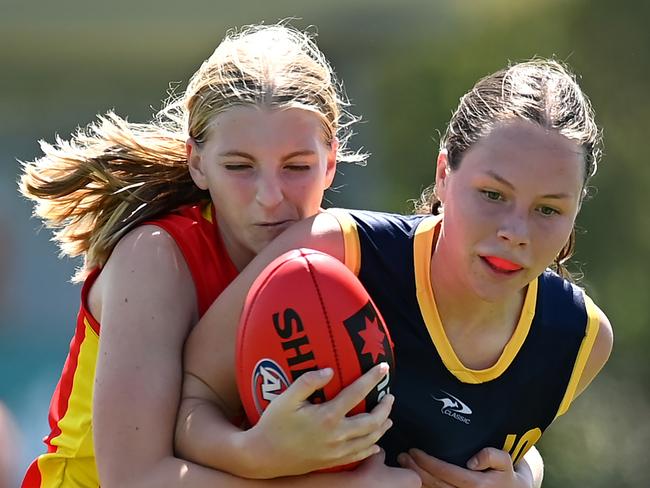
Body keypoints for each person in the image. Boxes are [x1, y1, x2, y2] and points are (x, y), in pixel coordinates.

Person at [176, 59, 612, 488]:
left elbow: (501, 438)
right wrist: (258, 456)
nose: (515, 232)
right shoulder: (333, 252)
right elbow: (191, 406)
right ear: (444, 175)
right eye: (493, 194)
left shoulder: (581, 338)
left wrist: (521, 479)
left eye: (548, 210)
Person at [19, 24, 418, 488]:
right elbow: (132, 478)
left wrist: (519, 469)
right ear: (197, 162)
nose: (270, 196)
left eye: (297, 167)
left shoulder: (351, 251)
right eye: (239, 167)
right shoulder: (156, 259)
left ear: (331, 161)